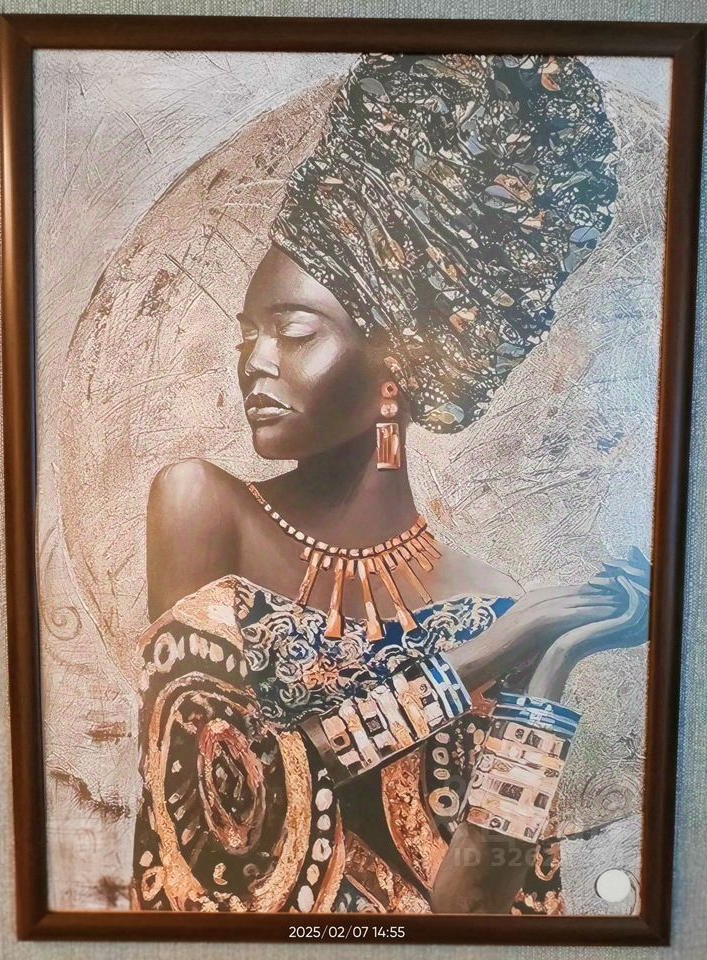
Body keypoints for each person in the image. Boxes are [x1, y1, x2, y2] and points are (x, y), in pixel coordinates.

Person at [131, 52, 649, 915]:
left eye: (294, 332)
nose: (254, 361)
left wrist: (549, 668)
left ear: (395, 367)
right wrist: (490, 652)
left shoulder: (494, 599)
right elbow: (227, 799)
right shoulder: (202, 505)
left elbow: (476, 916)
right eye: (248, 334)